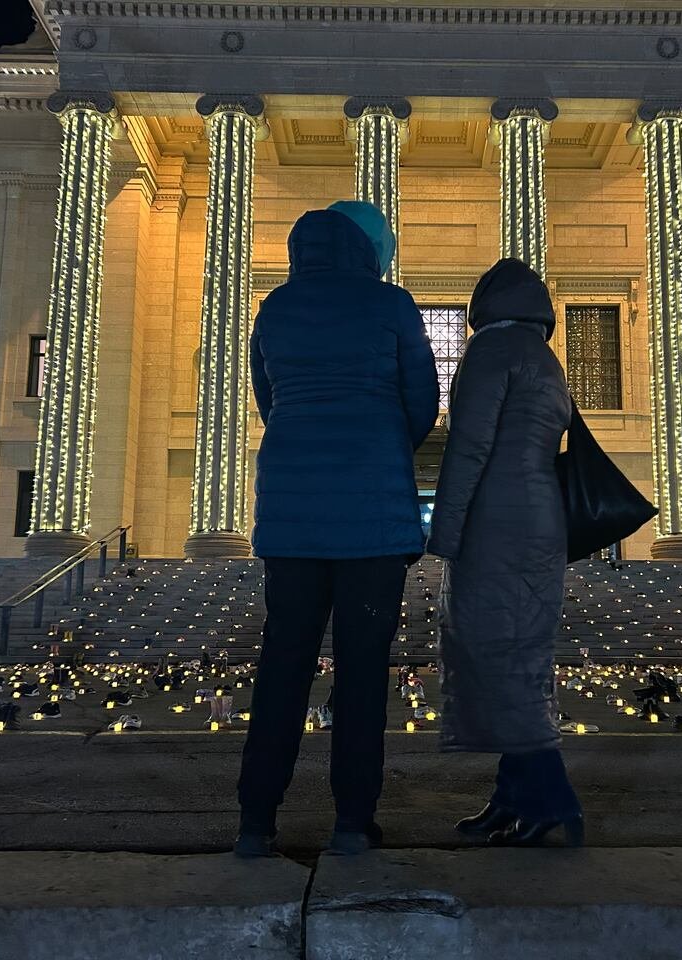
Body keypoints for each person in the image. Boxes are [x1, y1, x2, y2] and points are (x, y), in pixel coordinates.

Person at [234, 201, 439, 858]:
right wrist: (383, 444)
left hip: (292, 516)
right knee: (362, 672)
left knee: (282, 665)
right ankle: (352, 821)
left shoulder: (276, 307)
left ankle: (255, 821)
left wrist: (305, 439)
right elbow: (422, 402)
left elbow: (269, 399)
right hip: (372, 520)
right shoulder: (392, 305)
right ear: (372, 250)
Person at [427, 257, 583, 848]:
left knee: (497, 656)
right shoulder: (544, 358)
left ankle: (551, 801)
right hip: (540, 518)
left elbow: (469, 445)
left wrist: (443, 533)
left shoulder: (491, 351)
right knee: (518, 655)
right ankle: (512, 797)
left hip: (498, 520)